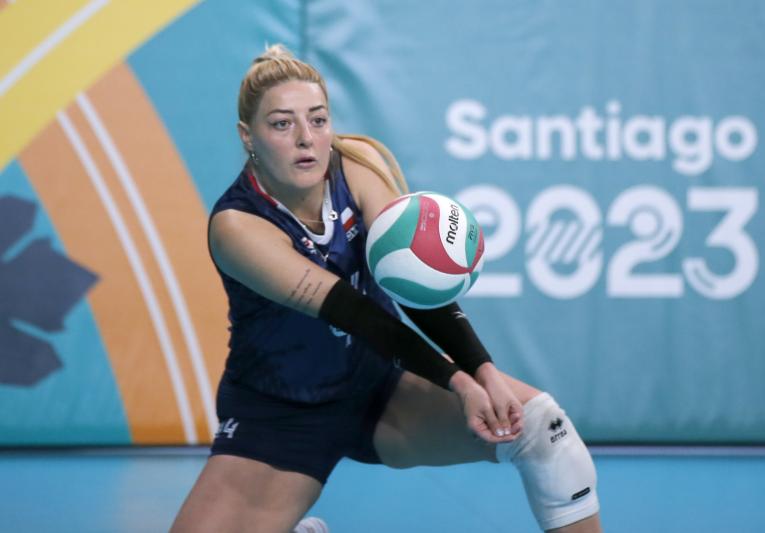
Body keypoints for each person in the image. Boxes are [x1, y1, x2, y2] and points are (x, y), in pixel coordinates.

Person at [170, 45, 601, 533]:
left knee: (544, 431)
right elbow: (356, 315)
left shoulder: (357, 163)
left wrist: (483, 371)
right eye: (282, 124)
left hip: (381, 387)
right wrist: (460, 383)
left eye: (318, 119)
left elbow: (411, 283)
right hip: (280, 416)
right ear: (248, 136)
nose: (306, 139)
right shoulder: (238, 225)